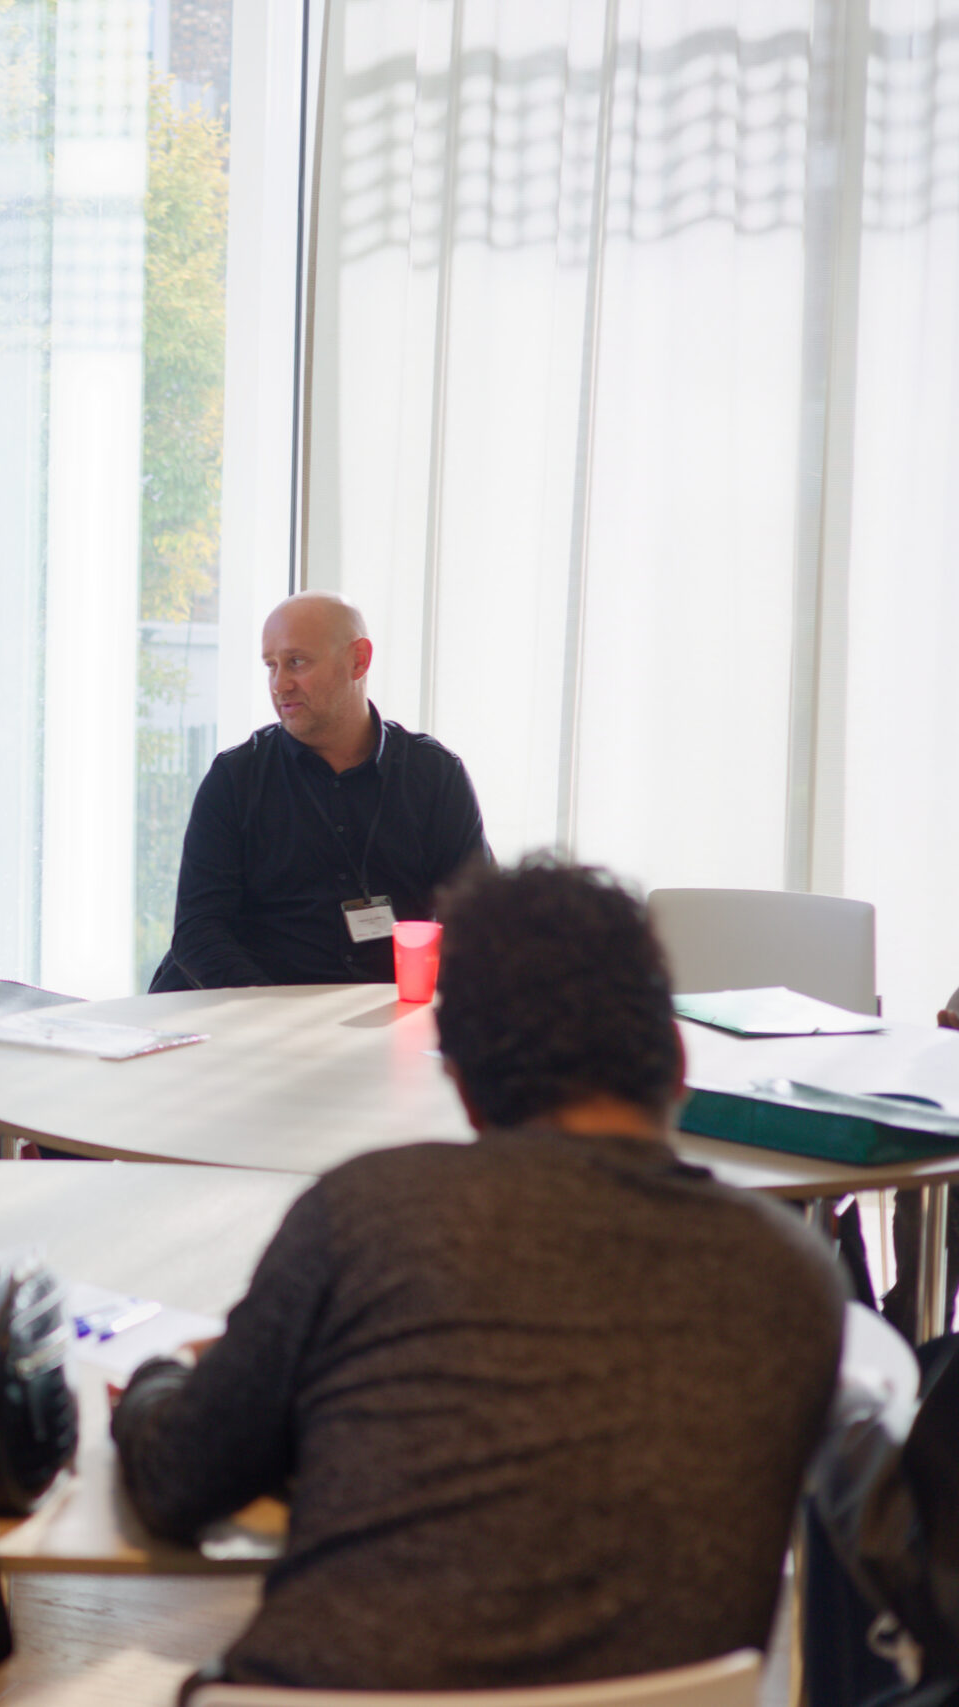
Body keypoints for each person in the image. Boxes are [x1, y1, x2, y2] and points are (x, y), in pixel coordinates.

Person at [113, 855, 844, 1691]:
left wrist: (159, 1379)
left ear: (461, 1083)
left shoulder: (366, 1216)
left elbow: (176, 1483)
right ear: (676, 1058)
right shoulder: (792, 1280)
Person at [152, 592, 487, 991]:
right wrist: (276, 1017)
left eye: (297, 662)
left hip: (380, 1020)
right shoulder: (235, 778)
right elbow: (198, 932)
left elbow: (479, 920)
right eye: (271, 666)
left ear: (358, 660)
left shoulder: (434, 774)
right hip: (251, 1017)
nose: (280, 684)